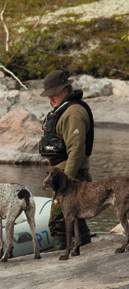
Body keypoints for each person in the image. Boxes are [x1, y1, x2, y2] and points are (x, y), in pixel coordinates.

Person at [39, 70, 94, 250]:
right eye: (49, 95)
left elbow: (77, 150)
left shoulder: (73, 112)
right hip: (63, 175)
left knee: (59, 222)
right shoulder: (64, 110)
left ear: (65, 90)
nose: (51, 99)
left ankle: (62, 257)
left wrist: (66, 181)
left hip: (71, 176)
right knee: (78, 219)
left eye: (54, 94)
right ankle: (83, 249)